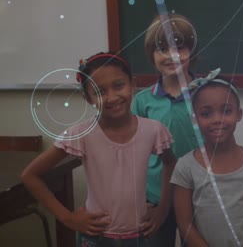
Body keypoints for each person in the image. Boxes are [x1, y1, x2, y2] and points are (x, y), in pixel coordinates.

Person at [21, 52, 176, 246]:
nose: (111, 97)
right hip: (97, 237)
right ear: (88, 97)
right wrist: (67, 218)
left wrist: (163, 208)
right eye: (100, 91)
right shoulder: (81, 134)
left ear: (133, 84)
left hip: (140, 234)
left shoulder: (153, 130)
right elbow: (30, 175)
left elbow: (170, 163)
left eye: (119, 85)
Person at [171, 71, 243, 246]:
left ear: (238, 114)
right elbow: (184, 224)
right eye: (206, 114)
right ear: (194, 119)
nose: (217, 120)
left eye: (226, 111)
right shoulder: (186, 166)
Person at [132, 13, 200, 246]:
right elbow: (134, 154)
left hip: (199, 195)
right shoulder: (142, 101)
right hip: (156, 196)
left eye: (180, 48)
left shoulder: (206, 94)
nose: (172, 56)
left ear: (192, 51)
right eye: (162, 49)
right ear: (151, 55)